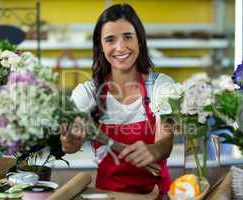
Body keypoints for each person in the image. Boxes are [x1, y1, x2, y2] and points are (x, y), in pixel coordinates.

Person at [60, 3, 174, 197]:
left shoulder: (161, 86)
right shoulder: (88, 93)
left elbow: (166, 140)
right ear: (101, 46)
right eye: (110, 40)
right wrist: (69, 140)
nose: (120, 47)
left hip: (157, 195)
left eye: (128, 37)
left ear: (139, 40)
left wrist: (155, 150)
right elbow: (70, 146)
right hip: (109, 196)